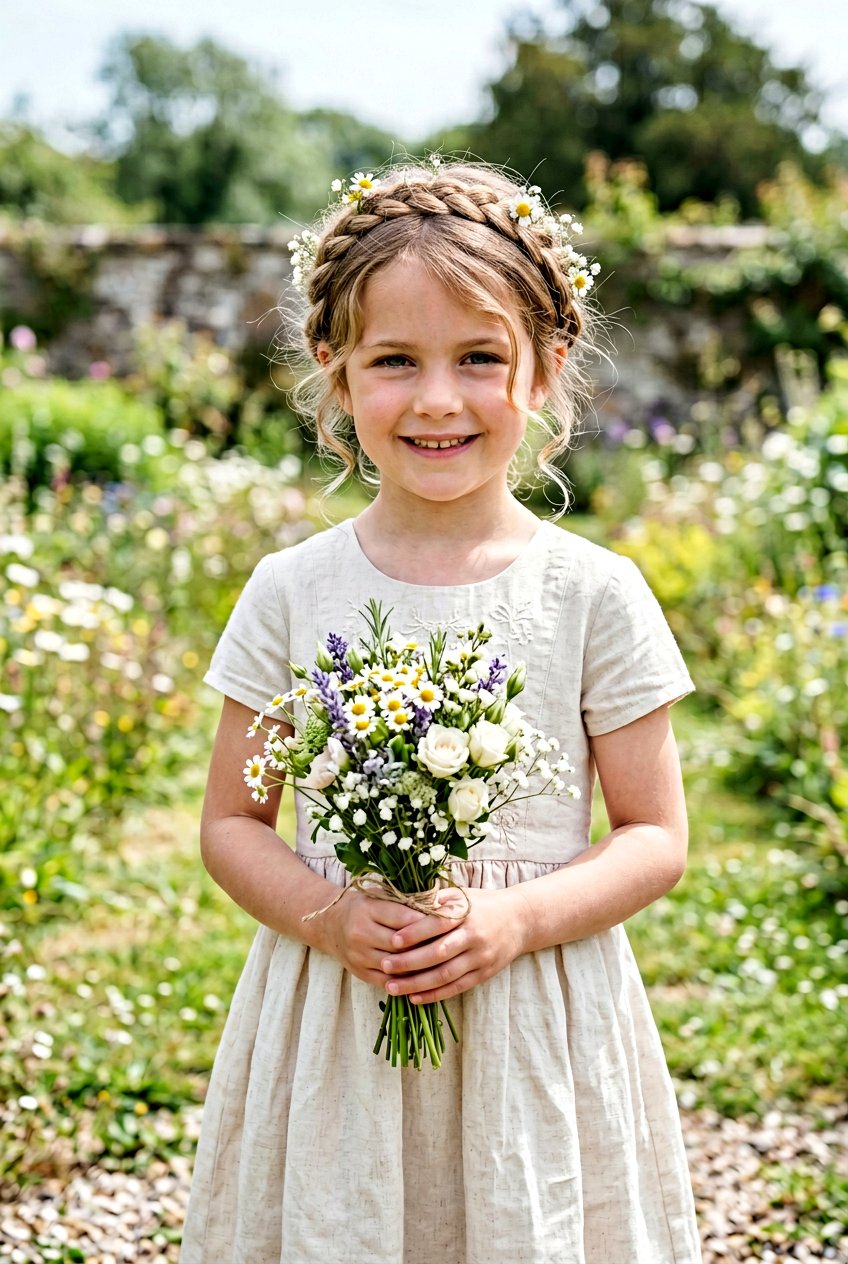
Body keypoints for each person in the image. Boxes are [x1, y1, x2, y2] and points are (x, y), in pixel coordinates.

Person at [180, 159, 702, 1263]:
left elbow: (655, 836)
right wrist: (329, 917)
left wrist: (517, 920)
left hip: (534, 1009)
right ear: (335, 372)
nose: (435, 399)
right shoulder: (291, 591)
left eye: (478, 357)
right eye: (393, 361)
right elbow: (231, 822)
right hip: (339, 1012)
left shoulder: (592, 592)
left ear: (544, 369)